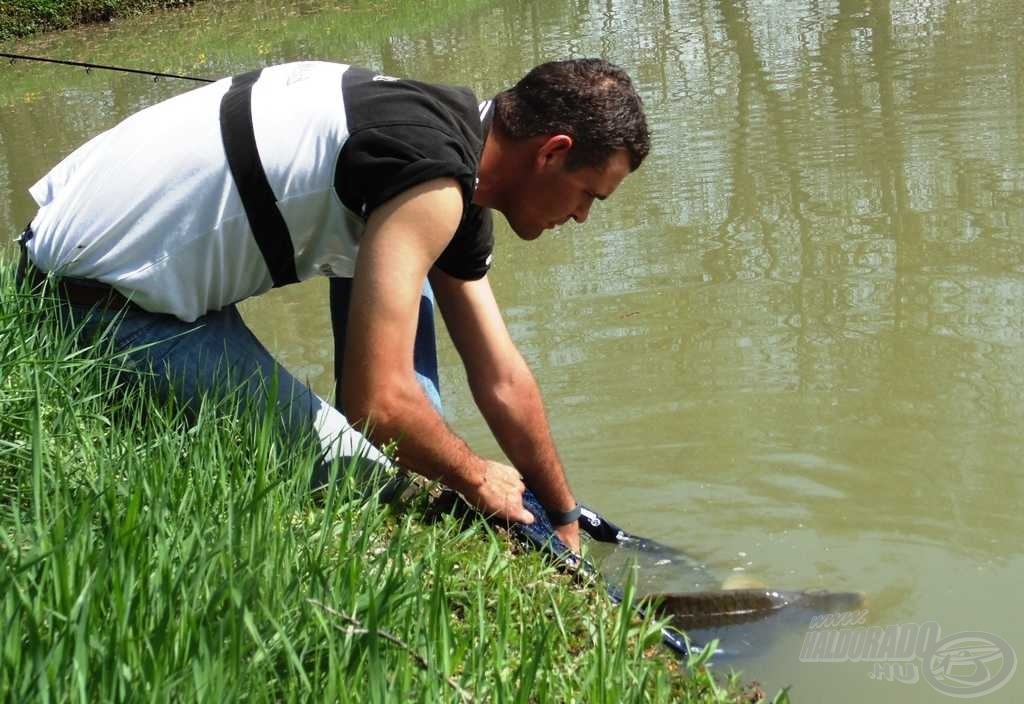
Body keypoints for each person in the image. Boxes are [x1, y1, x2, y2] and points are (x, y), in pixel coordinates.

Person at [17, 58, 650, 553]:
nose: (583, 216)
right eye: (589, 194)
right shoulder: (431, 177)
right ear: (552, 151)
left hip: (116, 266)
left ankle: (435, 477)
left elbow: (502, 376)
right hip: (96, 306)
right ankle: (417, 485)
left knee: (412, 265)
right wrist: (478, 478)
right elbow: (375, 407)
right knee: (371, 484)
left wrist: (563, 512)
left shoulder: (448, 147)